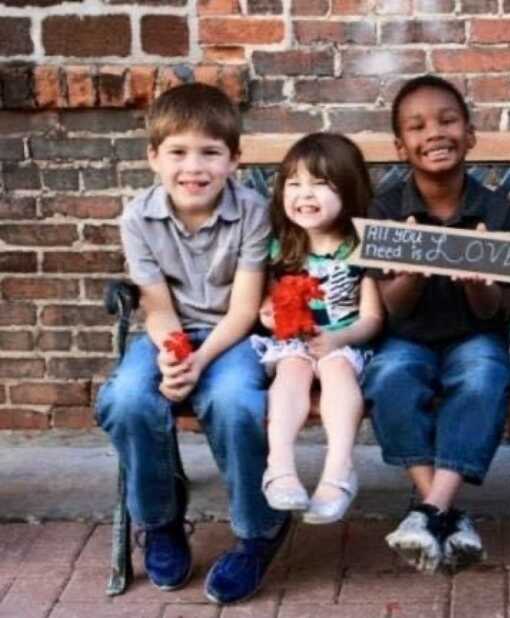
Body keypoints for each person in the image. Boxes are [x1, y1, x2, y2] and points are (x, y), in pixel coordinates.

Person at [95, 82, 289, 605]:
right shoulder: (138, 218)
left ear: (234, 159)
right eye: (178, 152)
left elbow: (247, 309)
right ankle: (160, 521)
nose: (194, 167)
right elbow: (157, 306)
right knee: (127, 398)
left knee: (234, 402)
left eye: (210, 153)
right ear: (154, 157)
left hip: (232, 337)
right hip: (171, 331)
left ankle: (258, 529)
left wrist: (201, 359)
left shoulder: (251, 211)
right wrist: (172, 353)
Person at [362, 75, 510, 573]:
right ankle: (445, 512)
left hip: (474, 337)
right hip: (407, 338)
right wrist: (410, 272)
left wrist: (478, 282)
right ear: (400, 146)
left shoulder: (494, 209)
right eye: (418, 126)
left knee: (485, 376)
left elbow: (495, 310)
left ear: (470, 134)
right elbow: (393, 309)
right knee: (388, 378)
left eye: (449, 121)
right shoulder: (385, 210)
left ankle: (426, 511)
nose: (435, 133)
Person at [250, 133, 383, 524]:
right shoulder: (284, 246)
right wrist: (269, 314)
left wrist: (337, 338)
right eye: (294, 184)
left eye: (320, 184)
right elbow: (268, 300)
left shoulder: (363, 247)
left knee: (337, 369)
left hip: (345, 340)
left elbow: (373, 318)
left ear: (349, 189)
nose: (304, 195)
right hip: (295, 341)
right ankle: (280, 467)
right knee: (292, 369)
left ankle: (339, 469)